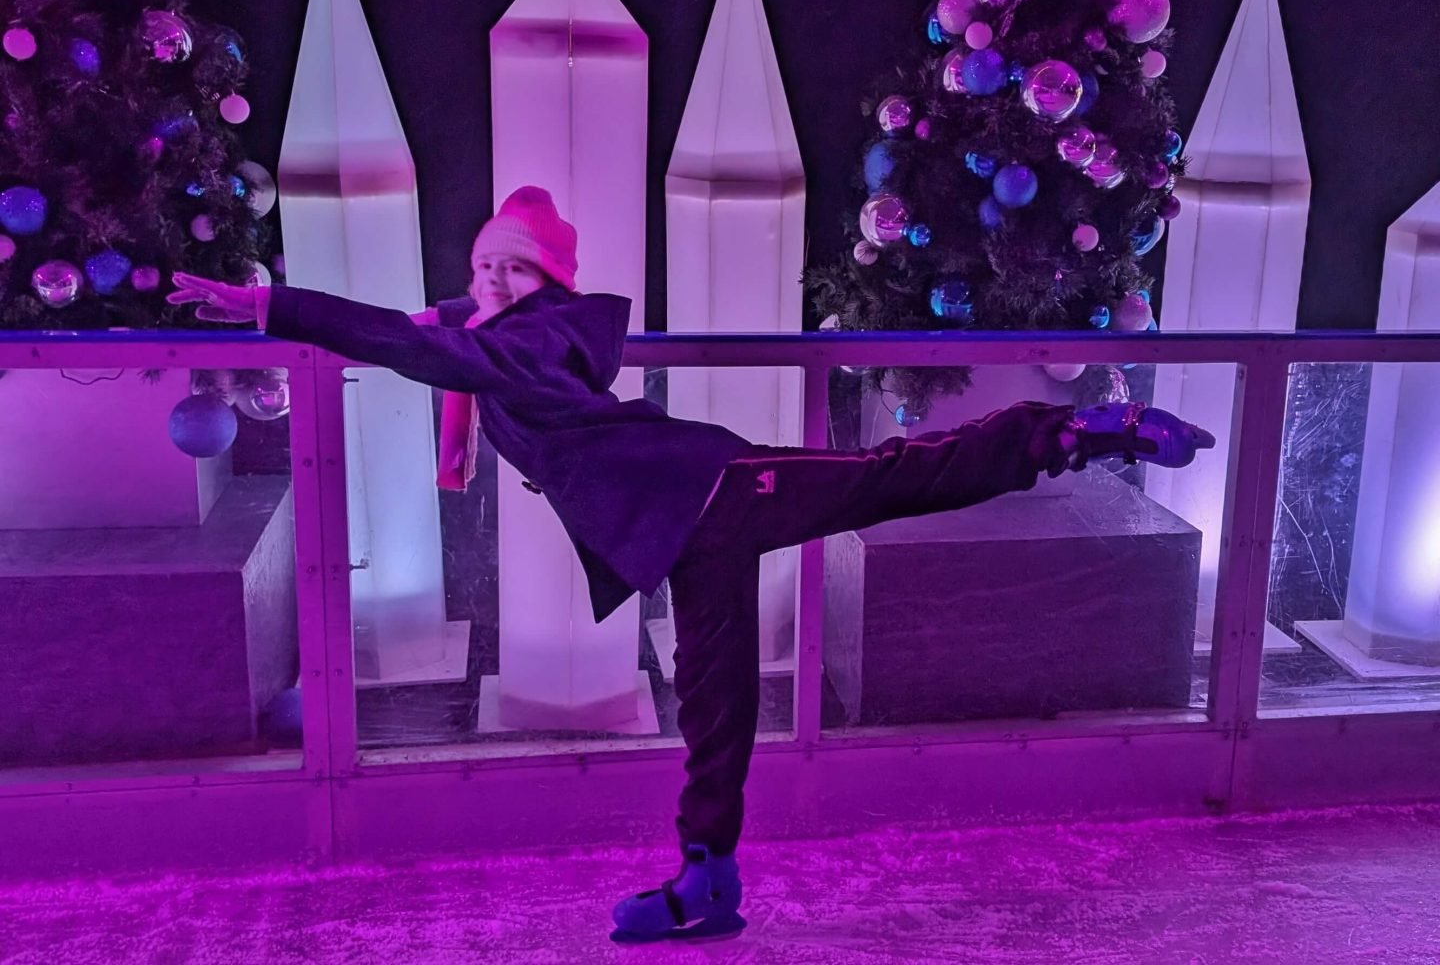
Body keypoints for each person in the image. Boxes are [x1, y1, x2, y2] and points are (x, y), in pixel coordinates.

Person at [169, 185, 1215, 943]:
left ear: (546, 282)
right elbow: (430, 327)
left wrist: (276, 307)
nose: (488, 278)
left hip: (710, 490)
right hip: (680, 531)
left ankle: (1077, 431)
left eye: (511, 266)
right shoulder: (514, 332)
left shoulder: (521, 346)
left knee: (892, 474)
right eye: (482, 261)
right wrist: (428, 309)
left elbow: (425, 345)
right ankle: (707, 878)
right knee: (715, 705)